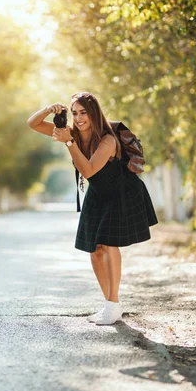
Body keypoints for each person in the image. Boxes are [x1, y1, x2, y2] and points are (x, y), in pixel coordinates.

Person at [27, 92, 158, 325]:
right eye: (74, 113)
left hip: (121, 192)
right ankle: (111, 305)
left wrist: (69, 142)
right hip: (98, 194)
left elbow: (88, 170)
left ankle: (113, 302)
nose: (78, 118)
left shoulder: (108, 140)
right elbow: (33, 124)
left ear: (94, 113)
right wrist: (50, 109)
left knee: (109, 243)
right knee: (94, 249)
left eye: (83, 113)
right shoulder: (73, 133)